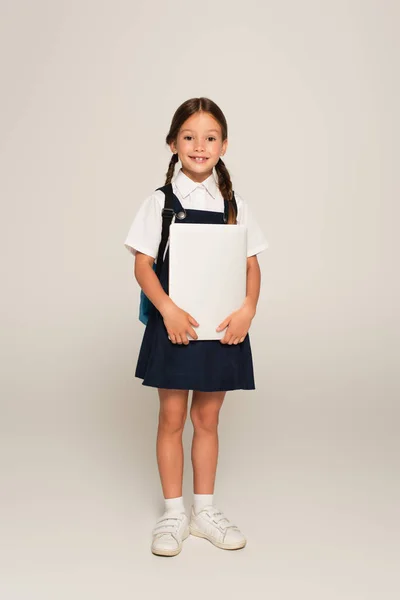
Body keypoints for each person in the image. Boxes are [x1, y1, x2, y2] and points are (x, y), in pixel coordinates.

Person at [124, 97, 268, 557]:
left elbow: (251, 264)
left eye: (209, 138)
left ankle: (203, 511)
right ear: (173, 143)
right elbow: (143, 266)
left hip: (221, 328)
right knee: (172, 418)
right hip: (175, 325)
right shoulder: (160, 203)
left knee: (207, 419)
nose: (199, 146)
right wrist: (166, 309)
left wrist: (247, 309)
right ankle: (173, 513)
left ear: (223, 145)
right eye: (189, 137)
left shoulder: (234, 205)